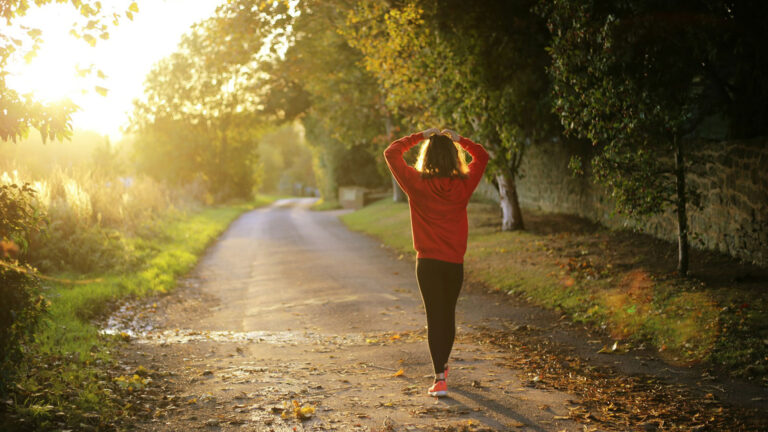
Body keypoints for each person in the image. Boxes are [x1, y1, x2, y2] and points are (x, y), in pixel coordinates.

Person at [383, 127, 489, 397]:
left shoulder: (416, 183)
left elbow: (392, 152)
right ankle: (442, 367)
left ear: (427, 156)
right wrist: (460, 139)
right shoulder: (463, 184)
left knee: (434, 317)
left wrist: (420, 136)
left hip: (427, 263)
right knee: (448, 314)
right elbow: (482, 156)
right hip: (453, 263)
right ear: (454, 157)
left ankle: (439, 377)